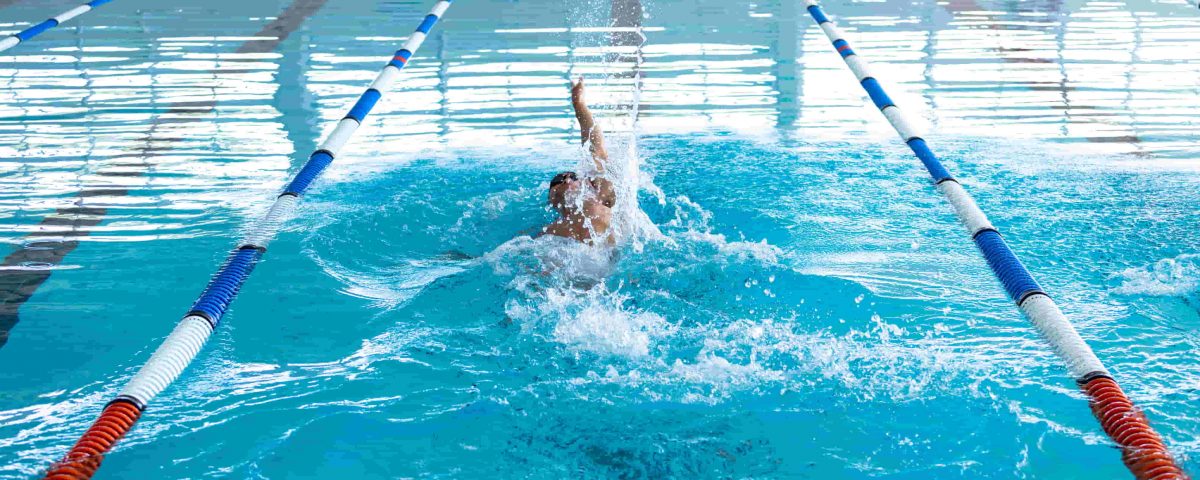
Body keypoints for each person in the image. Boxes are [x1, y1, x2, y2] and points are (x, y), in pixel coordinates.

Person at [541, 78, 618, 246]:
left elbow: (597, 150)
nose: (567, 180)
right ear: (552, 199)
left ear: (588, 184)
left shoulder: (603, 197)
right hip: (567, 258)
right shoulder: (548, 232)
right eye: (559, 181)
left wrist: (579, 105)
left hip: (609, 253)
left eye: (573, 178)